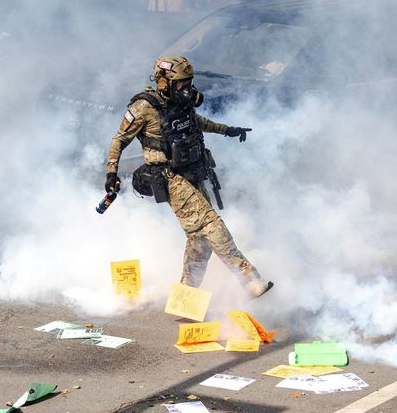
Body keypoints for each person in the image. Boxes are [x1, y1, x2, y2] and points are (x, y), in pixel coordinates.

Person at [103, 56, 273, 298]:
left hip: (192, 171)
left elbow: (195, 122)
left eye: (188, 83)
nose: (187, 89)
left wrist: (226, 130)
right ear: (163, 83)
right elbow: (119, 139)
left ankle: (185, 296)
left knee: (200, 239)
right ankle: (250, 279)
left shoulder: (181, 101)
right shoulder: (143, 108)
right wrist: (112, 172)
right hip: (169, 177)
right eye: (181, 84)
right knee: (212, 225)